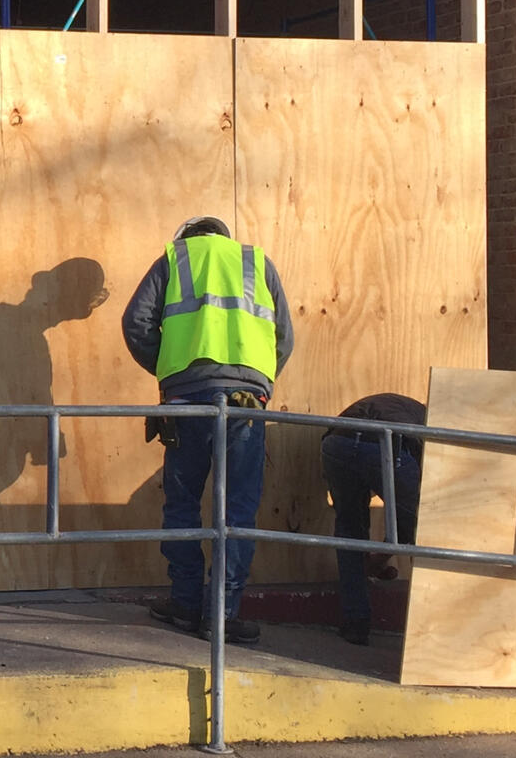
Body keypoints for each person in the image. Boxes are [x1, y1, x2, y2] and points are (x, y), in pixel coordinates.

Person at [123, 216, 295, 645]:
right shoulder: (256, 262)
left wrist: (171, 372)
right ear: (224, 238)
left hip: (187, 402)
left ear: (189, 237)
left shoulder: (174, 258)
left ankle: (184, 603)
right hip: (245, 406)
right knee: (237, 511)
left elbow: (136, 323)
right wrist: (257, 383)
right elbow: (283, 339)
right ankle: (223, 613)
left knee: (182, 504)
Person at [320, 392, 427, 645]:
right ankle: (427, 634)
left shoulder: (399, 405)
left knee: (349, 528)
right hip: (387, 444)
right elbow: (407, 526)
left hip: (338, 441)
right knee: (421, 531)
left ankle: (355, 624)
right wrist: (384, 557)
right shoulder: (430, 423)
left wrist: (379, 558)